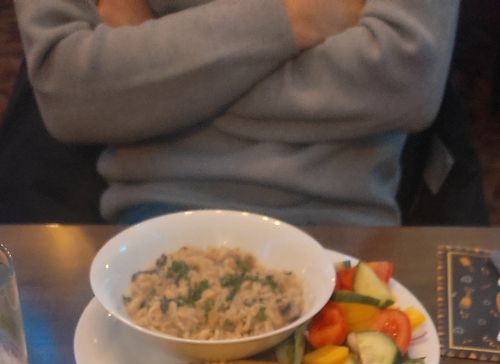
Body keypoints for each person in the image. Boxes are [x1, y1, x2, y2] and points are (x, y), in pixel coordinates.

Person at [13, 0, 460, 226]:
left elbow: (406, 74)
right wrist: (293, 18)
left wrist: (155, 69)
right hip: (145, 239)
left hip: (341, 240)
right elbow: (67, 89)